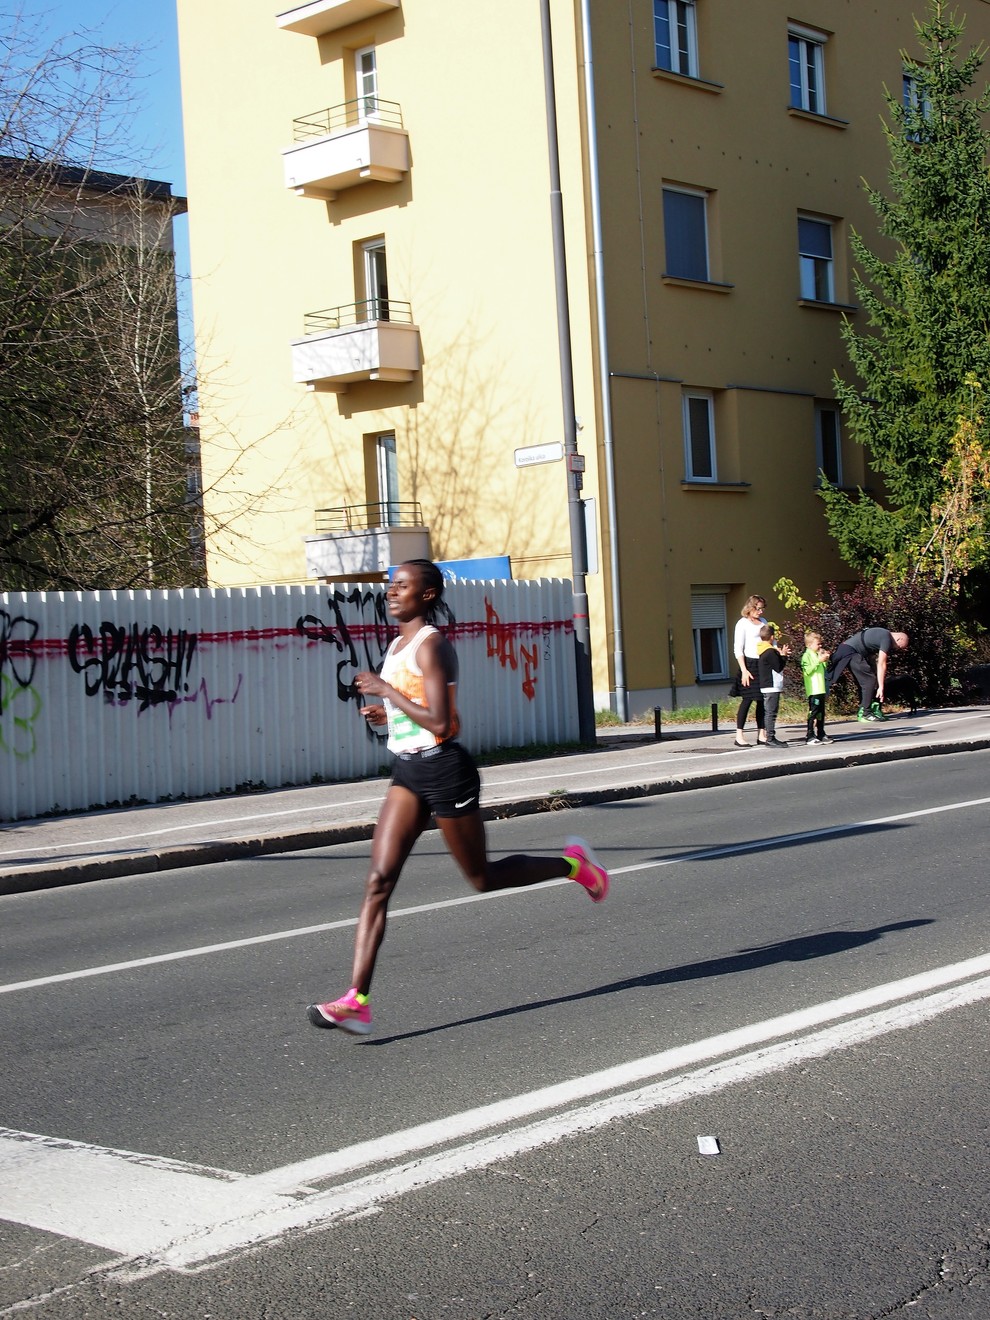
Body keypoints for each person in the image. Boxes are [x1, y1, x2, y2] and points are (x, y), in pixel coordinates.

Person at [307, 559, 610, 1037]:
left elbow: (445, 724)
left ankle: (575, 867)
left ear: (426, 595)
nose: (391, 592)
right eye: (390, 586)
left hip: (446, 772)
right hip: (408, 770)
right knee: (378, 881)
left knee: (482, 879)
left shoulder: (434, 648)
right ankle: (356, 1000)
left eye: (402, 587)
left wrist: (385, 689)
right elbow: (421, 712)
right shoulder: (397, 645)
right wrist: (386, 716)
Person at [825, 627, 910, 722]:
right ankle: (866, 713)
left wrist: (878, 680)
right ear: (899, 639)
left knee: (870, 680)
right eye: (900, 647)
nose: (897, 649)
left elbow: (871, 654)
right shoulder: (887, 638)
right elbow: (882, 663)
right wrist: (881, 687)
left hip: (849, 650)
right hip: (850, 652)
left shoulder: (882, 633)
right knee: (869, 681)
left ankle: (870, 709)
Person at [731, 594, 768, 747]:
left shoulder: (764, 622)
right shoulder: (742, 624)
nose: (761, 612)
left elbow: (770, 640)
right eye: (758, 609)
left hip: (763, 663)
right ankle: (739, 735)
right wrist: (744, 670)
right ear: (751, 608)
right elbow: (738, 648)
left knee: (762, 700)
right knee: (747, 699)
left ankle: (762, 734)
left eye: (762, 609)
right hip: (749, 664)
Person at [756, 622, 790, 748]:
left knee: (769, 712)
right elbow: (778, 667)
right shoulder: (770, 652)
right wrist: (783, 656)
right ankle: (770, 738)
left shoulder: (762, 650)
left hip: (766, 685)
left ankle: (770, 736)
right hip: (772, 685)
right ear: (771, 637)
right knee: (771, 713)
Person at [800, 631, 832, 745]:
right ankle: (809, 735)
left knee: (821, 713)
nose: (820, 646)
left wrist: (824, 660)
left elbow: (822, 668)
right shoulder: (807, 655)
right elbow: (807, 671)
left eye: (820, 644)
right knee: (813, 712)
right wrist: (819, 661)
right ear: (809, 645)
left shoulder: (816, 653)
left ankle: (821, 732)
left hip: (821, 688)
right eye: (817, 644)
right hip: (813, 689)